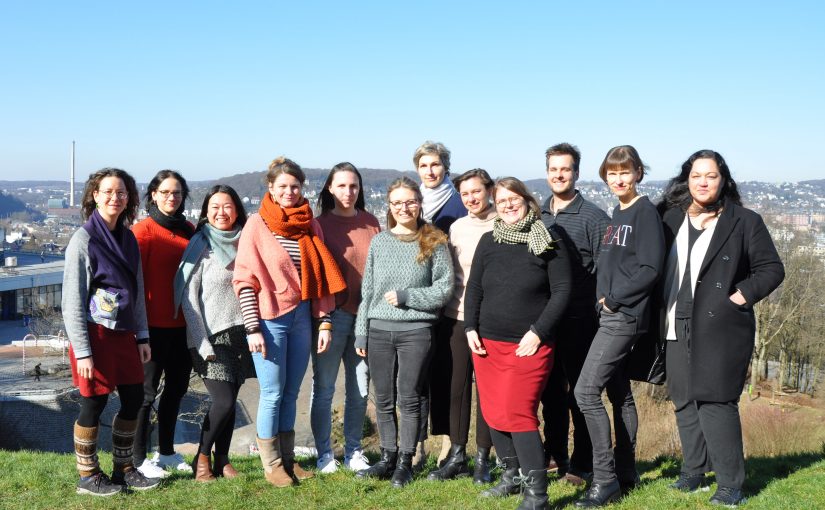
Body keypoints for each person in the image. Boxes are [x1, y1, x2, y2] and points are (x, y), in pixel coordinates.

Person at [659, 150, 784, 507]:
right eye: (696, 175)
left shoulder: (744, 221)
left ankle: (730, 484)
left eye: (710, 176)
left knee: (716, 401)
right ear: (687, 179)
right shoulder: (671, 218)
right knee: (683, 400)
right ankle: (693, 472)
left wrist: (740, 297)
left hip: (720, 326)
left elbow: (771, 269)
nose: (703, 182)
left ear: (723, 180)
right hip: (674, 320)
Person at [233, 156, 346, 487]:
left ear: (302, 188)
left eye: (294, 186)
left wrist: (324, 321)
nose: (289, 191)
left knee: (292, 391)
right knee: (271, 391)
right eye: (282, 186)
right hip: (270, 317)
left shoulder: (311, 223)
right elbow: (244, 280)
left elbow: (321, 276)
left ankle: (287, 459)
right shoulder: (257, 224)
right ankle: (271, 464)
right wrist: (252, 327)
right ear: (270, 187)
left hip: (303, 316)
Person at [465, 177, 572, 510]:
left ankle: (537, 493)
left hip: (529, 345)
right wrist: (470, 327)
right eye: (501, 199)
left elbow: (562, 291)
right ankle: (511, 476)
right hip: (487, 343)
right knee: (494, 412)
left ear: (527, 201)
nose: (508, 204)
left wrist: (538, 331)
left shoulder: (547, 238)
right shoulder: (489, 240)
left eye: (515, 198)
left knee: (519, 413)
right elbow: (475, 289)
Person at [574, 145, 665, 508]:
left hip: (624, 317)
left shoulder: (644, 214)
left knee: (585, 393)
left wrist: (615, 300)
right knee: (619, 394)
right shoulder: (617, 211)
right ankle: (626, 473)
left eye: (624, 172)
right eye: (612, 173)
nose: (618, 179)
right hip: (607, 316)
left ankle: (605, 479)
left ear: (638, 173)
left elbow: (650, 268)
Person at [64, 168, 160, 496]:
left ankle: (124, 468)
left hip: (125, 334)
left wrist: (143, 336)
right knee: (93, 402)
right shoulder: (84, 240)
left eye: (121, 193)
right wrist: (83, 351)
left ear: (129, 199)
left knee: (134, 397)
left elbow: (138, 290)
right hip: (94, 334)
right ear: (94, 195)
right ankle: (88, 475)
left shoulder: (128, 238)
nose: (114, 198)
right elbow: (72, 301)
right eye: (107, 191)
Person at [354, 176, 454, 488]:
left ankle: (405, 462)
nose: (404, 208)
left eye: (409, 201)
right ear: (389, 206)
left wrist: (409, 297)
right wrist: (361, 331)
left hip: (416, 331)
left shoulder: (433, 239)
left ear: (419, 203)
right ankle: (387, 457)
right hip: (379, 330)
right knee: (383, 398)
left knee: (409, 398)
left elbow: (445, 287)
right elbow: (367, 290)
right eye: (397, 202)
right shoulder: (380, 241)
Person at [539, 143, 609, 486]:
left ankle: (583, 463)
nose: (559, 175)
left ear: (576, 173)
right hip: (546, 320)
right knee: (549, 392)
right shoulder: (537, 215)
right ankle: (554, 455)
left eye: (565, 169)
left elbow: (607, 269)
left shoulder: (594, 217)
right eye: (553, 169)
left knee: (581, 395)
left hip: (582, 320)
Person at [176, 185, 253, 482]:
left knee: (231, 399)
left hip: (241, 334)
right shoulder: (199, 244)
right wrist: (201, 340)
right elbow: (188, 297)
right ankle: (202, 458)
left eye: (228, 206)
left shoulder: (248, 241)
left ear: (237, 209)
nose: (222, 213)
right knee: (222, 400)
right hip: (209, 336)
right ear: (206, 211)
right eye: (215, 207)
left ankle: (223, 460)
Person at [427, 169, 496, 484]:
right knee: (456, 388)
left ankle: (483, 457)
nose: (471, 198)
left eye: (476, 191)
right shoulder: (456, 228)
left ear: (489, 191)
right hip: (456, 317)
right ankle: (457, 454)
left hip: (491, 320)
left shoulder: (502, 224)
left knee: (487, 392)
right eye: (465, 194)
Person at [311, 163, 380, 474]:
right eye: (341, 186)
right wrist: (323, 317)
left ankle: (353, 451)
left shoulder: (372, 223)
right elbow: (315, 276)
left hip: (365, 317)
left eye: (353, 186)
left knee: (359, 389)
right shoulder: (319, 225)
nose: (348, 192)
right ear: (329, 188)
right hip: (333, 316)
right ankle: (325, 453)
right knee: (324, 388)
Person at [132, 170, 196, 479]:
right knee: (146, 394)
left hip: (184, 325)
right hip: (151, 328)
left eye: (178, 193)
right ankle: (138, 457)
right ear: (154, 194)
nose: (172, 197)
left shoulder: (189, 230)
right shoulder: (142, 232)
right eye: (166, 192)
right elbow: (131, 283)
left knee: (177, 389)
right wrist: (137, 329)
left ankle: (167, 451)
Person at [413, 140, 467, 466]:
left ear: (445, 167)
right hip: (417, 305)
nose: (430, 171)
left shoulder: (459, 204)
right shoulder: (410, 205)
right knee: (416, 375)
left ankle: (449, 443)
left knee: (448, 375)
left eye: (435, 164)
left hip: (451, 303)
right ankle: (417, 444)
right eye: (424, 165)